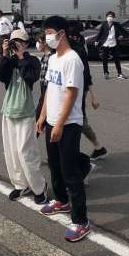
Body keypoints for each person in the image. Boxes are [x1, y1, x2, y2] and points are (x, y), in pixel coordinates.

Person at [37, 15, 91, 243]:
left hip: (68, 124)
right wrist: (43, 116)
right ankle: (61, 200)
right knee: (55, 165)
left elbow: (71, 94)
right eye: (46, 33)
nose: (47, 38)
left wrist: (59, 124)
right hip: (52, 121)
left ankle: (81, 221)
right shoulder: (53, 59)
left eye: (50, 33)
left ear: (62, 34)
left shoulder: (72, 59)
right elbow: (50, 90)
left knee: (71, 173)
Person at [0, 29, 47, 204]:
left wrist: (21, 56)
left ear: (26, 44)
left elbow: (31, 77)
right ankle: (20, 184)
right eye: (13, 42)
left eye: (19, 42)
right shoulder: (9, 60)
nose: (16, 45)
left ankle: (39, 187)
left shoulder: (32, 61)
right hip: (8, 110)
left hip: (26, 112)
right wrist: (4, 54)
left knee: (27, 152)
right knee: (12, 152)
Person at [68, 25, 107, 160]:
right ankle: (98, 148)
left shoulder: (77, 50)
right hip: (72, 89)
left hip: (78, 90)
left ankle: (97, 147)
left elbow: (86, 74)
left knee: (79, 120)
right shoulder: (69, 49)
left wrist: (93, 96)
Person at [94, 11, 128, 80]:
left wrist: (122, 36)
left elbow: (125, 32)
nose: (110, 18)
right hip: (105, 44)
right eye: (108, 16)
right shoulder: (104, 24)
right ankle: (106, 73)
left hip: (114, 44)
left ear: (113, 18)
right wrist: (96, 41)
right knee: (105, 59)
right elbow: (100, 33)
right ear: (106, 17)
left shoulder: (117, 24)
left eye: (111, 16)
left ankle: (119, 73)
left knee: (117, 59)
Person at [35, 32, 52, 121]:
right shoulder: (44, 56)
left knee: (38, 116)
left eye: (39, 42)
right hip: (43, 89)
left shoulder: (51, 57)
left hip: (47, 90)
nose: (37, 44)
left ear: (45, 43)